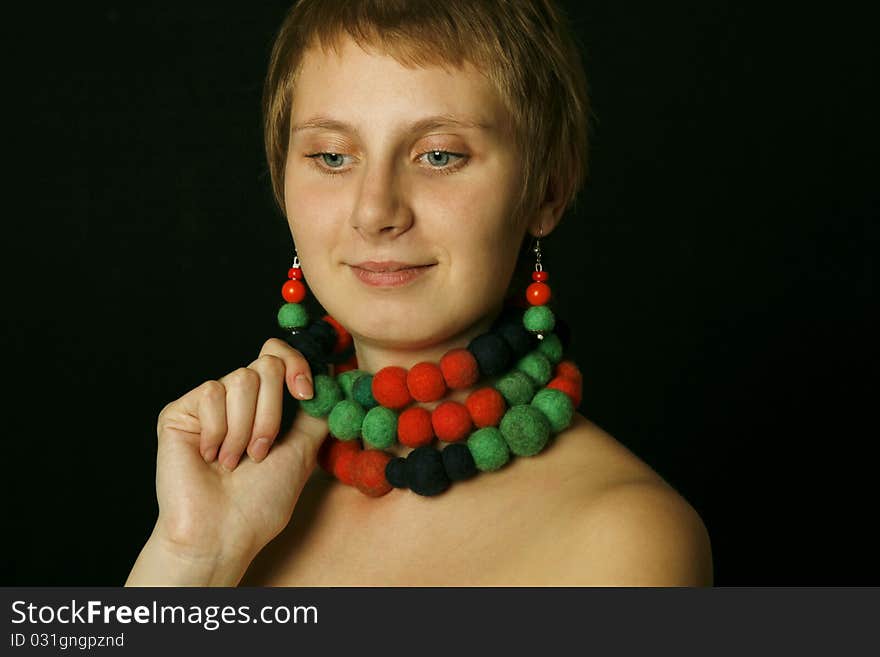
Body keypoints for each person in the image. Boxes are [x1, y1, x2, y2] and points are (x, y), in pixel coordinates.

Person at [126, 0, 712, 587]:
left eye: (439, 155)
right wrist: (192, 557)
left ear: (546, 191)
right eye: (332, 156)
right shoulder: (235, 496)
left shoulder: (622, 540)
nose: (375, 210)